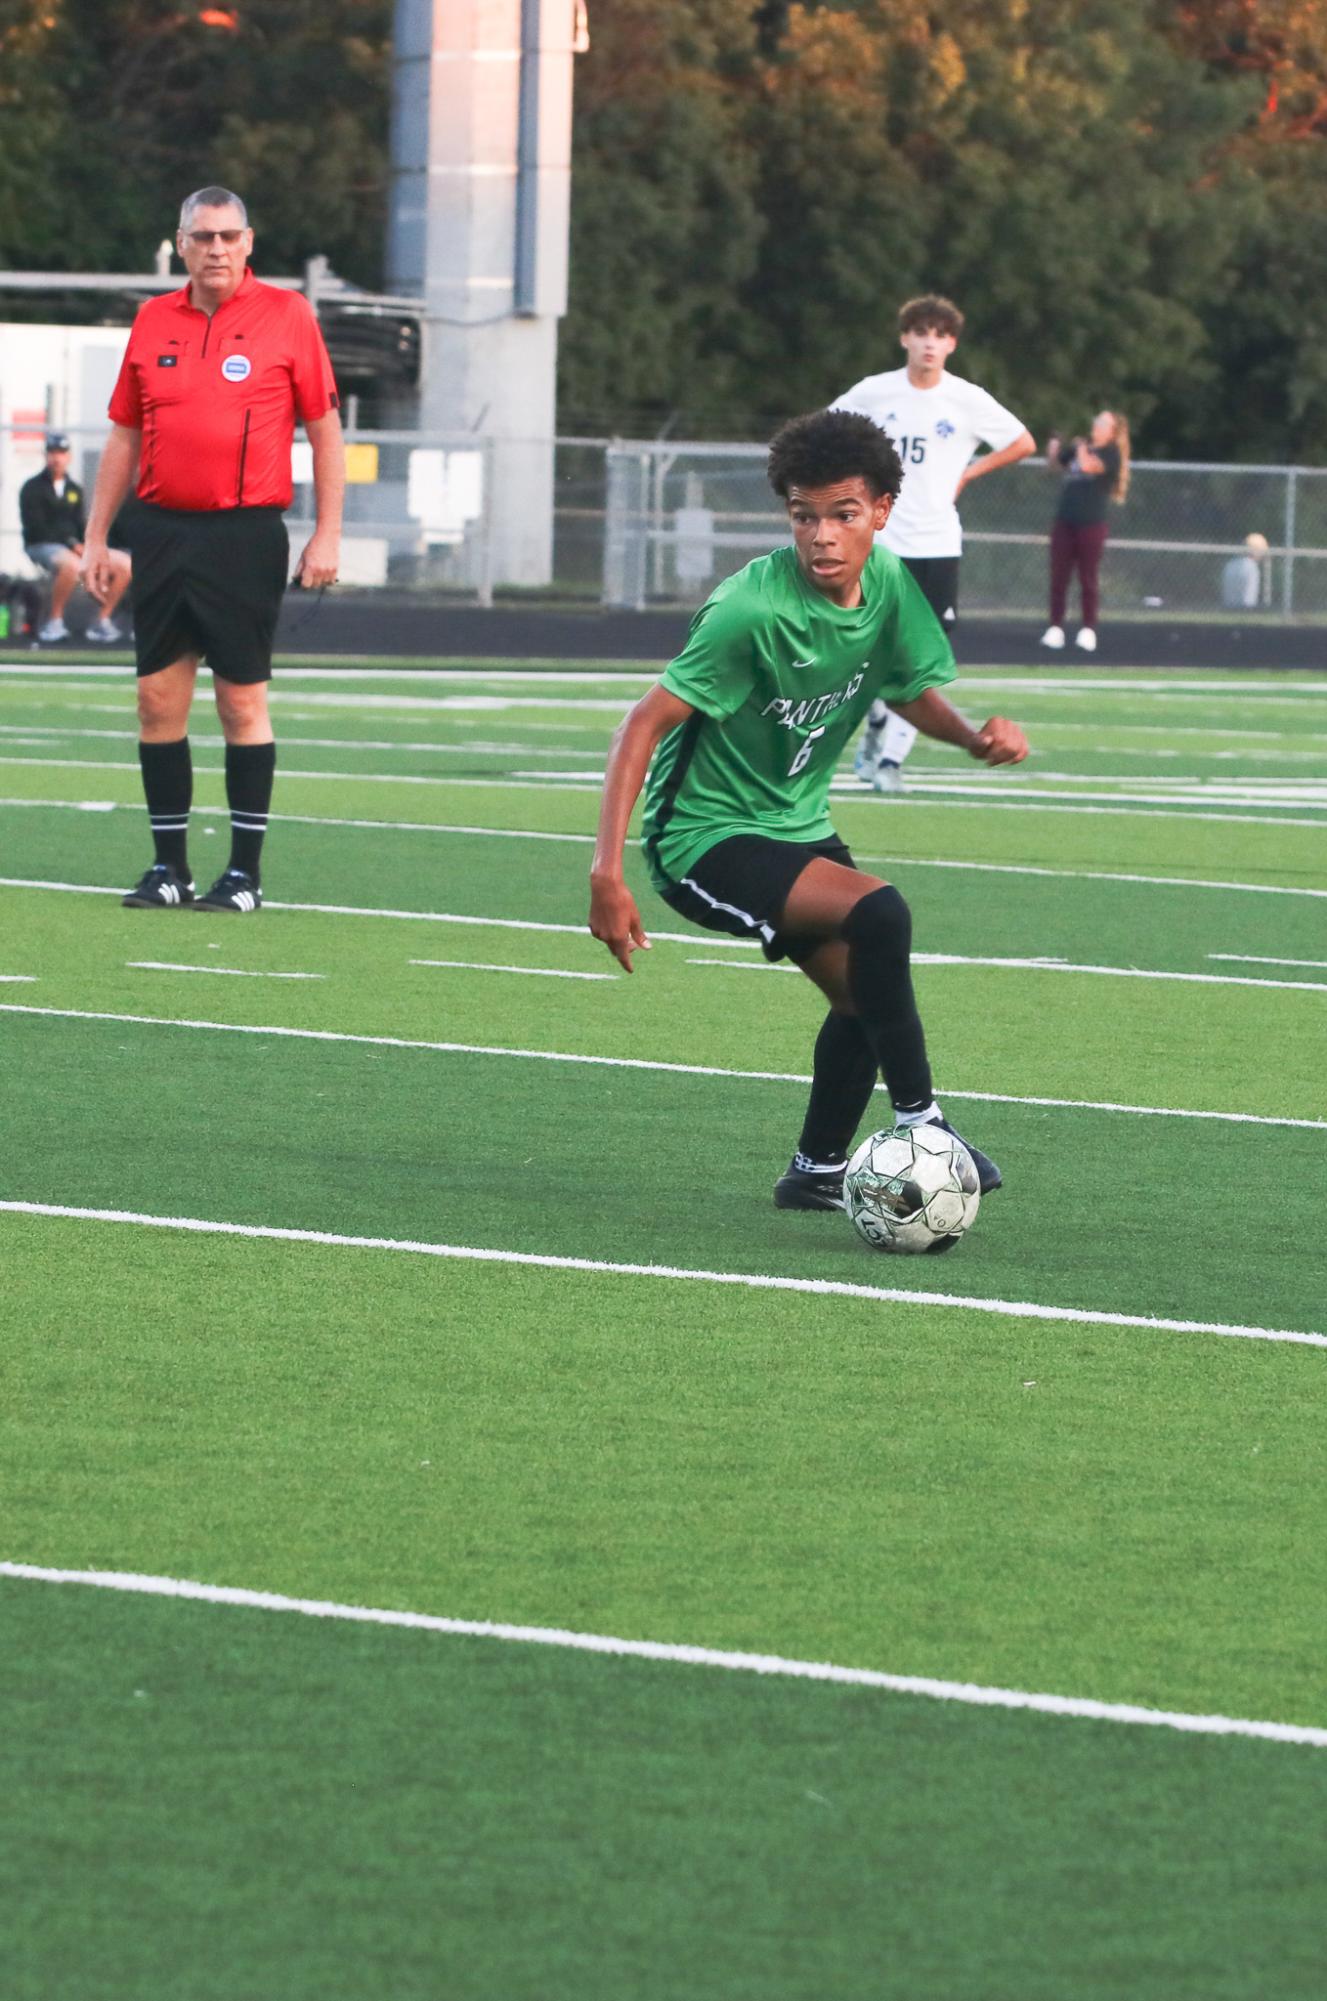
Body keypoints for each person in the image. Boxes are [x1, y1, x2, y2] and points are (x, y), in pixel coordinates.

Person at [588, 408, 1029, 1211]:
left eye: (843, 514)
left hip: (795, 823)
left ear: (882, 512)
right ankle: (923, 1124)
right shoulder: (748, 610)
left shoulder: (888, 582)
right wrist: (605, 871)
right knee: (881, 915)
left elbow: (907, 688)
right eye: (803, 516)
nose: (822, 535)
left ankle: (816, 1170)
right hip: (705, 837)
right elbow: (639, 725)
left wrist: (970, 739)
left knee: (866, 999)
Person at [80, 184, 344, 912]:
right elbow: (124, 435)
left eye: (229, 236)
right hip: (161, 531)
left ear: (249, 242)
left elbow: (324, 428)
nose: (217, 249)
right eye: (203, 237)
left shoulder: (288, 316)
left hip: (244, 534)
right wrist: (98, 535)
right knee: (155, 699)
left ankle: (244, 875)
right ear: (183, 244)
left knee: (239, 702)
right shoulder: (152, 319)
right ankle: (169, 868)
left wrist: (327, 532)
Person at [831, 295, 1035, 793]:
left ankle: (890, 762)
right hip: (880, 543)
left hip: (938, 544)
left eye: (941, 335)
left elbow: (1022, 441)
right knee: (868, 652)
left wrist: (971, 472)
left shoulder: (966, 399)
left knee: (922, 660)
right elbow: (826, 432)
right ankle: (878, 724)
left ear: (952, 345)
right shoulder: (875, 393)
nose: (930, 342)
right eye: (921, 332)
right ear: (905, 338)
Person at [20, 431, 130, 644]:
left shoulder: (74, 489)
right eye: (52, 452)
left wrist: (92, 547)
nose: (57, 458)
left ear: (68, 456)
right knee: (70, 565)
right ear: (46, 455)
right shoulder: (32, 488)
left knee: (125, 565)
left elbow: (80, 525)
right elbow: (37, 528)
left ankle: (101, 621)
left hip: (76, 547)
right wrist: (73, 545)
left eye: (61, 452)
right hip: (42, 545)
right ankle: (54, 621)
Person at [1039, 410, 1130, 653]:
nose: (1096, 425)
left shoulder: (1110, 453)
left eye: (1102, 423)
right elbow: (1055, 467)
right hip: (1065, 520)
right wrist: (1054, 449)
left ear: (1112, 431)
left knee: (1087, 577)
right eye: (1096, 420)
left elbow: (1089, 467)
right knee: (1059, 576)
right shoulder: (1083, 447)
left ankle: (1088, 629)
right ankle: (1055, 627)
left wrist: (1081, 448)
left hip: (1091, 524)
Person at [1221, 532, 1269, 610]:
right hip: (1245, 609)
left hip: (1228, 607)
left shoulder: (1230, 564)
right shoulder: (1252, 567)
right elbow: (1249, 597)